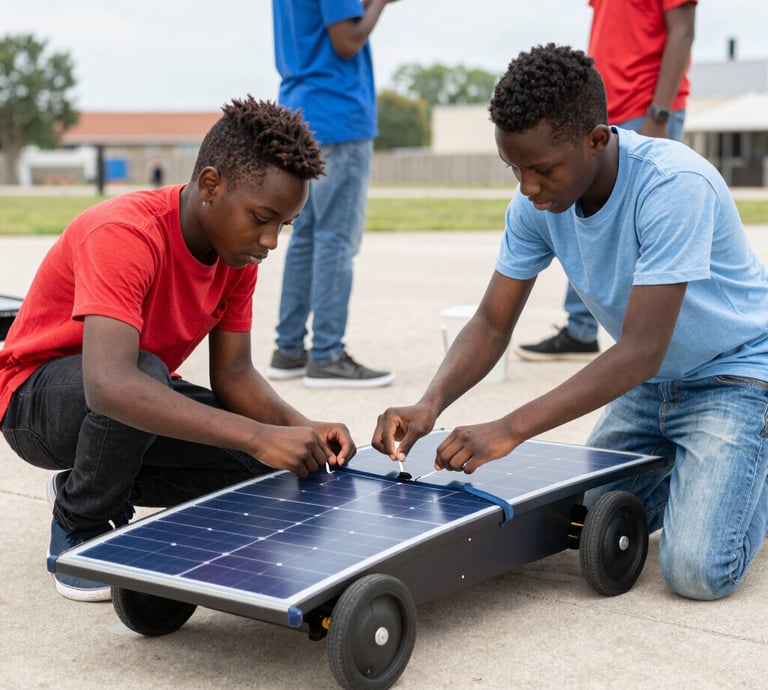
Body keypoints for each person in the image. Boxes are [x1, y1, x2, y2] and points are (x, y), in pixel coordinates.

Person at [373, 44, 768, 601]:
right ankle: (711, 467)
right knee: (572, 522)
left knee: (699, 570)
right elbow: (491, 322)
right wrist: (429, 404)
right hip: (650, 389)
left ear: (597, 139)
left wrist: (510, 428)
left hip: (737, 376)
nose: (528, 188)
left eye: (541, 170)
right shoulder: (536, 206)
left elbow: (641, 350)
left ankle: (753, 461)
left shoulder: (673, 187)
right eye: (514, 169)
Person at [0, 97, 355, 603]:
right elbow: (110, 386)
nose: (271, 240)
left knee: (271, 467)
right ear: (211, 185)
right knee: (143, 376)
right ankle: (80, 521)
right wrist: (257, 435)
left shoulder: (237, 255)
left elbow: (235, 376)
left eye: (284, 224)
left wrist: (300, 429)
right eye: (262, 218)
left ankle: (94, 480)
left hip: (133, 397)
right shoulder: (125, 233)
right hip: (36, 403)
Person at [516, 0, 697, 361]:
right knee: (580, 213)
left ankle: (653, 336)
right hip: (601, 109)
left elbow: (683, 31)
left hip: (645, 108)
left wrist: (658, 114)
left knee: (636, 226)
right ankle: (581, 330)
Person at [268, 0, 399, 388]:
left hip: (300, 109)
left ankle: (289, 350)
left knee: (305, 236)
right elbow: (346, 41)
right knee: (336, 239)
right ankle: (326, 354)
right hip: (338, 114)